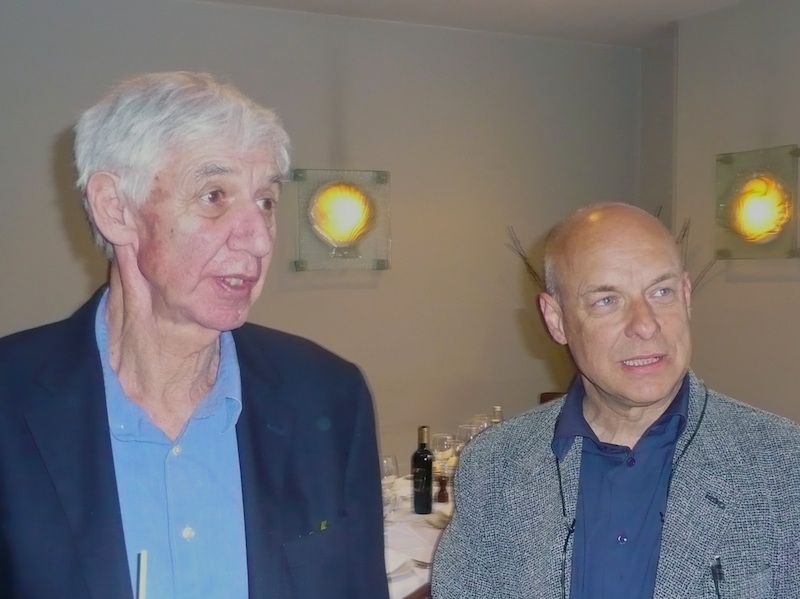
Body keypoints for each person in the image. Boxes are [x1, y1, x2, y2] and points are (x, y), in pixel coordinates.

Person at [0, 72, 389, 599]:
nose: (259, 238)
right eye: (214, 196)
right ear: (116, 208)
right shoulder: (9, 400)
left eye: (266, 201)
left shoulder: (328, 394)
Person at [432, 202, 800, 598]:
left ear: (686, 296)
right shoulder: (493, 467)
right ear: (556, 320)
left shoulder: (783, 464)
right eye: (607, 300)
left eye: (661, 292)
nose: (645, 324)